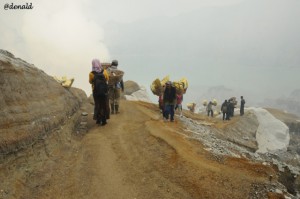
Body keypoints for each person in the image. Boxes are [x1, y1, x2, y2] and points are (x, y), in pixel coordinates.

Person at [89, 59, 110, 125]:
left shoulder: (91, 73)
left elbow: (90, 82)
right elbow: (107, 79)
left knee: (97, 104)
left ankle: (98, 119)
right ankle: (104, 120)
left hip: (95, 91)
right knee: (104, 104)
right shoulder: (104, 71)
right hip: (104, 91)